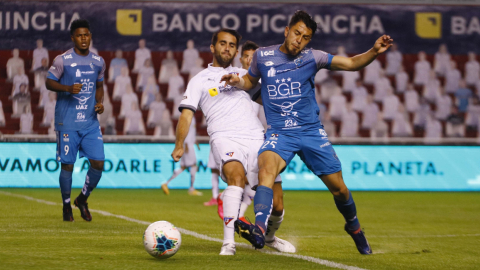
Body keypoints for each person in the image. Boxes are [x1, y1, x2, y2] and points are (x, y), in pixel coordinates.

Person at [221, 10, 393, 254]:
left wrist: (374, 51)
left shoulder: (313, 57)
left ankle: (354, 227)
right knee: (266, 170)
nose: (299, 40)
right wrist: (237, 82)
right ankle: (258, 229)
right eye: (297, 33)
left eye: (305, 37)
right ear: (287, 31)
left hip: (311, 133)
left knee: (340, 189)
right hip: (280, 133)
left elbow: (352, 63)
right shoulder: (263, 56)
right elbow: (250, 82)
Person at [171, 29, 293, 255]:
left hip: (257, 138)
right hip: (224, 136)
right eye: (222, 43)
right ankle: (228, 243)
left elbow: (270, 94)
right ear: (212, 47)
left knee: (277, 205)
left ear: (236, 50)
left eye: (231, 45)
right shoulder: (199, 80)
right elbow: (186, 114)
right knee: (235, 178)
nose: (227, 48)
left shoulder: (245, 75)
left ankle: (269, 237)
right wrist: (179, 144)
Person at [45, 19, 106, 222]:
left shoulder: (98, 61)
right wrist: (67, 89)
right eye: (79, 35)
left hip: (90, 123)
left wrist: (100, 102)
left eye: (86, 35)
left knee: (98, 163)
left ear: (90, 36)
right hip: (67, 123)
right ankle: (65, 205)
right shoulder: (62, 60)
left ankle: (82, 199)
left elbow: (99, 86)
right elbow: (49, 82)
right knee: (67, 166)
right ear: (73, 38)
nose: (83, 38)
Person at [163, 116, 202, 195]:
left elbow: (191, 132)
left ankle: (166, 183)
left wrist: (195, 142)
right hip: (188, 146)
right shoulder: (189, 116)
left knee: (183, 167)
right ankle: (191, 188)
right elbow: (185, 130)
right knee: (194, 165)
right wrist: (187, 144)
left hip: (188, 144)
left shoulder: (191, 117)